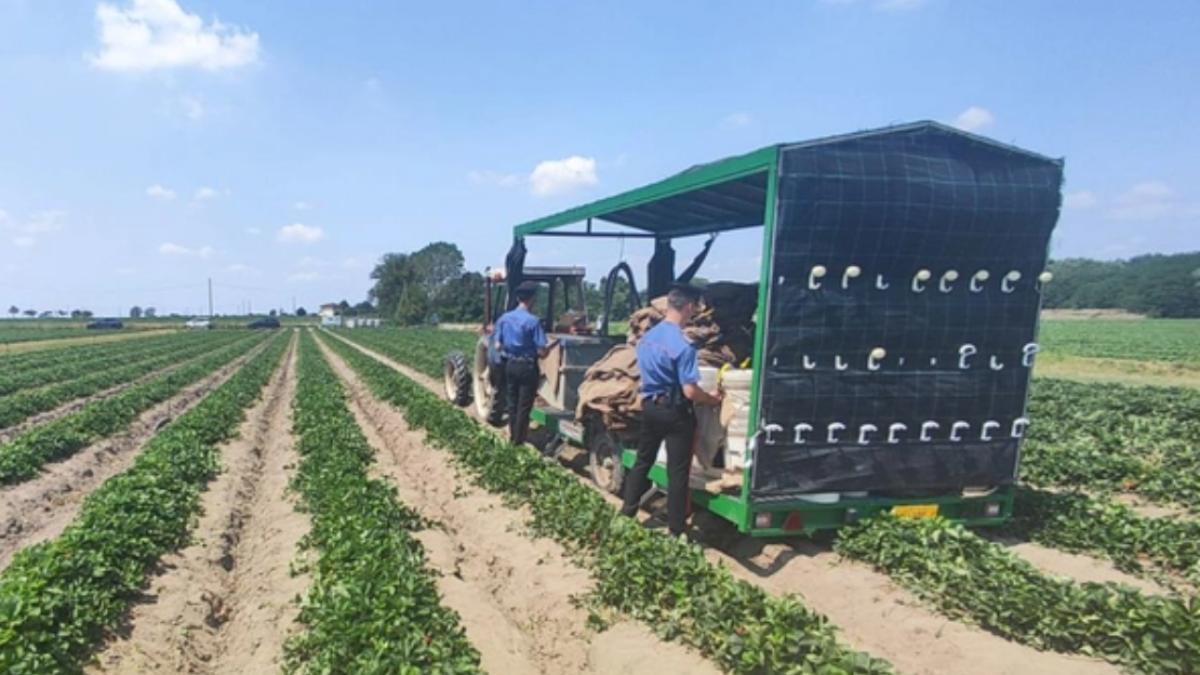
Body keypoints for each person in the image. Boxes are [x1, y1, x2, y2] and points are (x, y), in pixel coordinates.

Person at [621, 284, 722, 537]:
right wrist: (711, 399)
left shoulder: (647, 338)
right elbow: (690, 391)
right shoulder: (684, 346)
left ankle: (627, 512)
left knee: (643, 459)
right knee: (677, 472)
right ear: (688, 307)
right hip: (676, 411)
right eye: (695, 308)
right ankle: (676, 529)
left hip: (650, 405)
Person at [493, 281, 552, 445]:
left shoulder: (504, 319)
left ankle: (513, 437)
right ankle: (519, 441)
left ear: (518, 298)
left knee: (512, 403)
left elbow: (497, 345)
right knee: (524, 406)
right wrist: (548, 350)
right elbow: (541, 351)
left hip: (510, 364)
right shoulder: (533, 322)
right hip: (527, 367)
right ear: (532, 299)